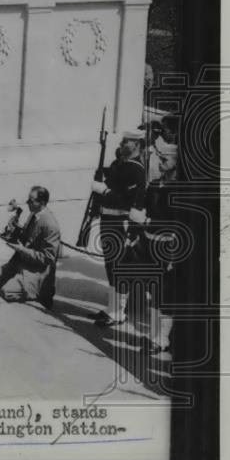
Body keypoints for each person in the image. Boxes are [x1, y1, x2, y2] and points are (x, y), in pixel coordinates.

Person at [90, 128, 147, 326]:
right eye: (123, 141)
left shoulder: (135, 169)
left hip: (120, 224)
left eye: (127, 142)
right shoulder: (122, 165)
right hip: (109, 221)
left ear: (138, 145)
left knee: (119, 267)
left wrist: (104, 190)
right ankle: (111, 309)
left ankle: (119, 312)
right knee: (111, 265)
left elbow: (127, 200)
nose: (122, 144)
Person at [128, 141, 180, 353]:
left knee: (165, 293)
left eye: (165, 159)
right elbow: (146, 209)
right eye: (160, 158)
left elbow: (178, 223)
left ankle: (162, 339)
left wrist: (146, 221)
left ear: (176, 163)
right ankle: (153, 335)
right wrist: (137, 231)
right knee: (153, 290)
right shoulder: (155, 184)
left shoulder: (180, 190)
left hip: (167, 246)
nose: (160, 162)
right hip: (149, 243)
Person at [0, 186, 61, 309]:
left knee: (6, 292)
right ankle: (17, 279)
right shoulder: (34, 214)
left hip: (37, 272)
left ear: (41, 203)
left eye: (31, 201)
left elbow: (48, 259)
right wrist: (15, 229)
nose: (27, 202)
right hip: (22, 263)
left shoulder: (51, 225)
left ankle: (39, 292)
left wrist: (21, 249)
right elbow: (28, 237)